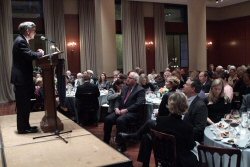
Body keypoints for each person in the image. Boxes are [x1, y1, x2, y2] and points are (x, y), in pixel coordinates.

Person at [137, 92, 198, 167]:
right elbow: (190, 146)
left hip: (162, 156)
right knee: (197, 156)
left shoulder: (160, 120)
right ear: (185, 106)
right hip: (178, 161)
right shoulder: (187, 127)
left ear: (170, 105)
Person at [11, 21, 44, 134]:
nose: (35, 33)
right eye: (34, 30)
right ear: (28, 31)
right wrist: (40, 53)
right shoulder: (20, 41)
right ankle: (23, 128)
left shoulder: (22, 40)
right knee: (23, 105)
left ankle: (26, 126)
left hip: (22, 79)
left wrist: (36, 53)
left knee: (25, 105)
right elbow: (29, 55)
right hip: (21, 80)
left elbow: (28, 54)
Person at [103, 71, 145, 152]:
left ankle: (121, 145)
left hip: (132, 112)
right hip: (120, 110)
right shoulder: (124, 88)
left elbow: (139, 104)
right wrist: (116, 108)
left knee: (120, 120)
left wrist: (126, 110)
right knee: (108, 119)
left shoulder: (140, 90)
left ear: (135, 80)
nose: (127, 79)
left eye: (130, 78)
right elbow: (118, 100)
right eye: (128, 77)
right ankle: (106, 141)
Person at [182, 79, 208, 143]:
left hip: (190, 140)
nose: (183, 85)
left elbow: (199, 129)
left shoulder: (200, 106)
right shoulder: (184, 99)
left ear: (193, 89)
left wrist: (181, 131)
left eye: (186, 84)